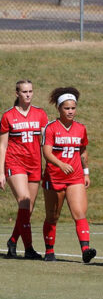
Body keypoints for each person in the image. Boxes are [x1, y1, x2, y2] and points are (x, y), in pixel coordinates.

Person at [41, 87, 96, 263]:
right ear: (59, 108)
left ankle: (86, 250)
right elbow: (47, 152)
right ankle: (49, 251)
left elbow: (83, 151)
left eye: (73, 108)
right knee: (53, 216)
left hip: (75, 177)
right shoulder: (51, 128)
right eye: (66, 108)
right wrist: (60, 164)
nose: (70, 111)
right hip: (54, 177)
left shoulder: (80, 128)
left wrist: (86, 172)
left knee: (79, 213)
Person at [1, 80, 47, 259]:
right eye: (24, 92)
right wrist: (1, 172)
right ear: (17, 94)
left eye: (30, 91)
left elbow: (46, 141)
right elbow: (2, 146)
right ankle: (29, 249)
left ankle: (13, 241)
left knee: (28, 208)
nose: (28, 94)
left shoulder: (40, 114)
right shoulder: (8, 116)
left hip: (34, 163)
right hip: (15, 163)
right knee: (24, 199)